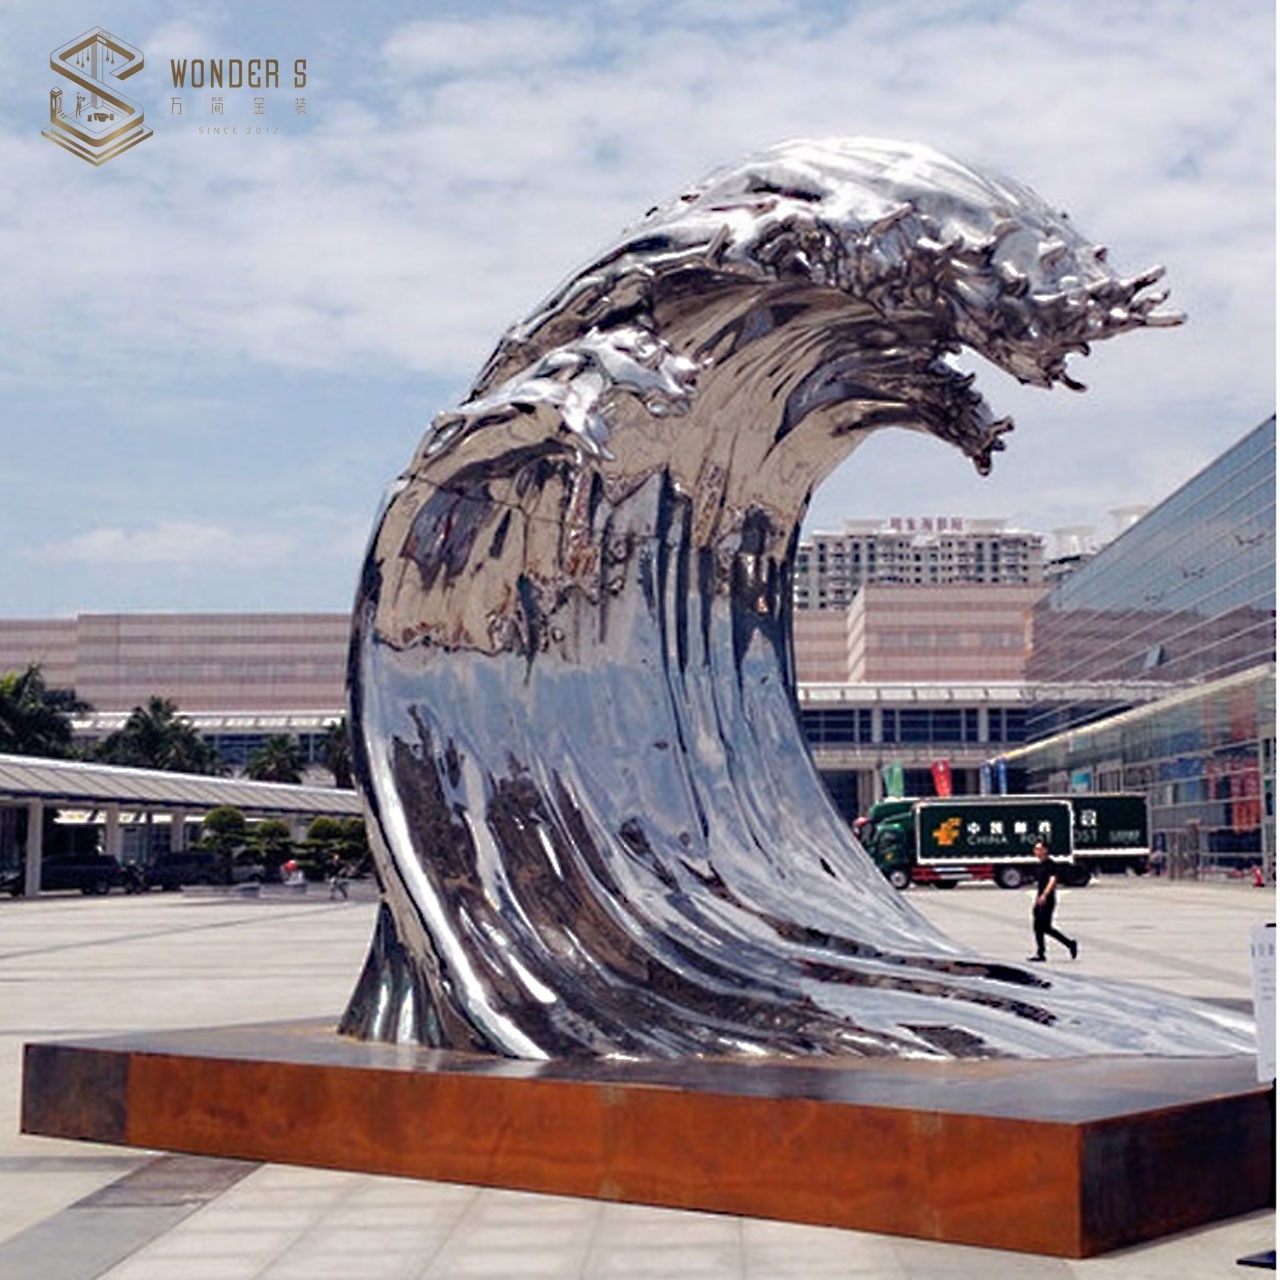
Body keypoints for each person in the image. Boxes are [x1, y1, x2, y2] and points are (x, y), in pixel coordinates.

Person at [1028, 838, 1078, 962]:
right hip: (1040, 898)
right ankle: (1041, 953)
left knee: (1045, 927)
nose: (1036, 851)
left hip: (1047, 899)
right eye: (1035, 849)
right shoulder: (1040, 865)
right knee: (1038, 926)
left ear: (1045, 850)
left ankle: (1069, 944)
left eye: (1039, 849)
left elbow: (1053, 880)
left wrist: (1045, 895)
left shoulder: (1050, 864)